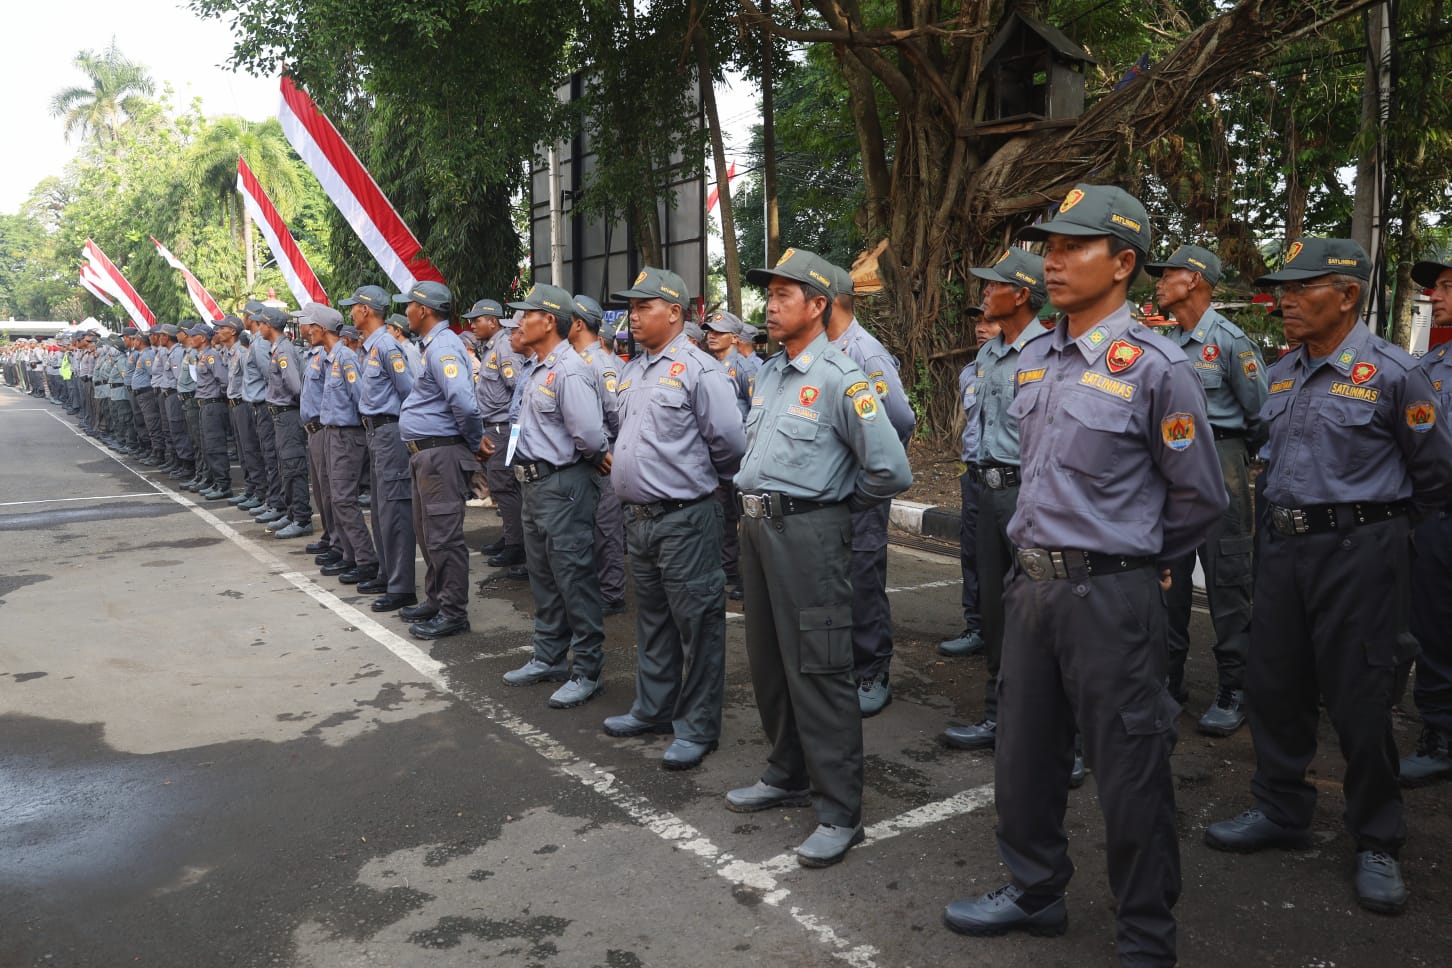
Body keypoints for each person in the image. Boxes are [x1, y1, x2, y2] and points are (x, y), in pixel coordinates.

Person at [944, 185, 1225, 968]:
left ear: (1124, 262)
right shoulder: (1034, 360)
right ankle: (1035, 891)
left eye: (1073, 246)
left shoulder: (1159, 368)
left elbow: (1200, 496)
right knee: (1025, 755)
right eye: (1049, 245)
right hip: (1030, 586)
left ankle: (1144, 930)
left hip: (1110, 594)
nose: (1051, 260)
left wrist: (1135, 561)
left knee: (1130, 766)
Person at [1205, 238, 1452, 915]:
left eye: (1299, 287)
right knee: (1275, 685)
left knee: (1362, 696)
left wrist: (1376, 531)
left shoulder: (1396, 375)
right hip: (1282, 551)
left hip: (1361, 556)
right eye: (1281, 288)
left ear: (1346, 295)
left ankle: (1377, 838)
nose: (1283, 300)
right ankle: (1281, 810)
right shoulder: (1283, 372)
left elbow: (1434, 476)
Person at [726, 246, 912, 868]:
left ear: (818, 305)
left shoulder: (842, 378)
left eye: (784, 295)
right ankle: (787, 772)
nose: (770, 305)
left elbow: (889, 469)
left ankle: (839, 811)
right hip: (757, 535)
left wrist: (832, 505)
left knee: (821, 667)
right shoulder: (770, 372)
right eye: (769, 295)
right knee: (770, 660)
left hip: (808, 536)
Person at [600, 267, 746, 769]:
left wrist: (691, 484)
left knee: (698, 623)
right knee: (654, 618)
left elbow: (729, 444)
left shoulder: (700, 369)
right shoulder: (634, 369)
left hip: (685, 517)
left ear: (676, 313)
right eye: (631, 307)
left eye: (643, 307)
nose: (632, 315)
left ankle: (698, 727)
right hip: (638, 519)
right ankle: (654, 708)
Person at [1145, 244, 1268, 735]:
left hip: (1222, 462)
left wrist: (1231, 454)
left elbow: (1262, 415)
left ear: (1194, 280)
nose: (1157, 282)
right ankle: (1168, 684)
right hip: (1172, 467)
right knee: (1167, 583)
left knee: (1229, 582)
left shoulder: (1231, 342)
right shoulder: (1168, 342)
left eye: (1166, 274)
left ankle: (1234, 688)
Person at [939, 250, 1055, 760]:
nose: (984, 293)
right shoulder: (987, 355)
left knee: (1042, 611)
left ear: (1022, 294)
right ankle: (997, 712)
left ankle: (1060, 735)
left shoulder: (1050, 353)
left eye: (993, 286)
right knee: (994, 608)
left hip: (1027, 492)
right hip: (985, 491)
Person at [499, 283, 610, 707]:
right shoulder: (535, 367)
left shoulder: (569, 369)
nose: (520, 321)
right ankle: (548, 656)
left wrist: (596, 456)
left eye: (527, 314)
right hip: (535, 485)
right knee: (543, 577)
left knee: (574, 577)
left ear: (549, 321)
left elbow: (588, 434)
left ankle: (587, 670)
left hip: (563, 484)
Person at [823, 263, 916, 716]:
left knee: (862, 581)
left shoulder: (865, 352)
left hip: (859, 493)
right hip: (827, 495)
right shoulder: (822, 350)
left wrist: (870, 476)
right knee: (832, 581)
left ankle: (873, 671)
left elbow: (900, 419)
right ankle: (843, 665)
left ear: (829, 300)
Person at [395, 281, 485, 640]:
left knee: (444, 537)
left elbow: (463, 402)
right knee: (428, 533)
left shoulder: (444, 346)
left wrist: (476, 443)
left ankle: (453, 613)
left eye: (410, 306)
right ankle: (436, 600)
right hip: (426, 454)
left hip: (440, 453)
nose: (406, 312)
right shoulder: (433, 345)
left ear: (425, 311)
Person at [1401, 254, 1452, 785]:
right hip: (1440, 519)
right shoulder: (1428, 368)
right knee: (1433, 629)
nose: (1435, 296)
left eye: (1445, 286)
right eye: (1434, 287)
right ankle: (1439, 733)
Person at [344, 284, 420, 614]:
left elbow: (410, 392)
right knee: (379, 509)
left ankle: (402, 587)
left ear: (366, 311)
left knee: (395, 511)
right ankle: (387, 574)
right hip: (376, 434)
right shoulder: (372, 347)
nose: (350, 312)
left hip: (390, 432)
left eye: (354, 307)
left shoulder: (387, 346)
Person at [939, 307, 994, 660]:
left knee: (1006, 559)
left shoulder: (1027, 367)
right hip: (972, 477)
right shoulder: (968, 373)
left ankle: (1008, 633)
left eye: (990, 320)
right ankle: (976, 626)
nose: (981, 328)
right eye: (977, 321)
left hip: (1006, 480)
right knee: (971, 554)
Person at [313, 302, 378, 586]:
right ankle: (350, 556)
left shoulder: (346, 359)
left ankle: (366, 559)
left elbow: (362, 399)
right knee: (334, 497)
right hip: (332, 433)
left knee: (343, 498)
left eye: (311, 326)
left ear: (323, 329)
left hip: (347, 436)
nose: (307, 331)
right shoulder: (330, 357)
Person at [570, 294, 627, 614]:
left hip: (605, 457)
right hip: (589, 457)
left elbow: (616, 413)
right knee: (591, 526)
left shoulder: (599, 362)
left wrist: (613, 451)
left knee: (606, 527)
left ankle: (611, 593)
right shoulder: (579, 359)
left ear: (578, 324)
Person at [468, 299, 527, 569]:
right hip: (494, 426)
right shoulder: (493, 347)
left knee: (504, 485)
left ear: (492, 321)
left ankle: (516, 545)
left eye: (476, 319)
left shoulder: (504, 347)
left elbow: (518, 387)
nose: (472, 325)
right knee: (502, 487)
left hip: (503, 427)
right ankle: (510, 535)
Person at [702, 309, 752, 602]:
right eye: (709, 330)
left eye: (719, 332)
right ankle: (727, 569)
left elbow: (756, 410)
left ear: (734, 338)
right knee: (723, 518)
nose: (712, 335)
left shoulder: (745, 368)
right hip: (718, 460)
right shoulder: (709, 366)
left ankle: (747, 579)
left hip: (741, 458)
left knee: (747, 522)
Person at [259, 307, 313, 539]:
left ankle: (301, 518)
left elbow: (296, 387)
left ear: (269, 325)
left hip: (289, 416)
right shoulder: (277, 349)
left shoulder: (284, 351)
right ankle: (292, 513)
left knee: (293, 466)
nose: (258, 327)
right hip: (281, 416)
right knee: (285, 467)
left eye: (261, 323)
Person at [298, 310, 338, 563]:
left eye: (306, 323)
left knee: (330, 490)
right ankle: (329, 536)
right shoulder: (312, 353)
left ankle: (337, 541)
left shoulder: (327, 354)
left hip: (324, 429)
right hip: (313, 430)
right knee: (320, 489)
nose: (304, 328)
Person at [195, 320, 235, 500]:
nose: (190, 338)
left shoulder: (212, 356)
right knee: (207, 446)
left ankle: (223, 484)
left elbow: (224, 380)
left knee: (215, 445)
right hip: (205, 404)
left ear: (202, 338)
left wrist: (219, 398)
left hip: (213, 404)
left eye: (193, 335)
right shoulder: (203, 355)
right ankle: (215, 481)